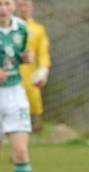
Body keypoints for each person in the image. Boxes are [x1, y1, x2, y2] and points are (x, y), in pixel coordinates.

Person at [0, 0, 34, 172]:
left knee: (20, 151)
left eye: (6, 3)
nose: (3, 8)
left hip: (14, 94)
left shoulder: (22, 28)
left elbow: (17, 54)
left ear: (14, 6)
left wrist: (26, 59)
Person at [16, 0, 51, 133]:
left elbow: (43, 54)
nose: (23, 8)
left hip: (30, 81)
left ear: (32, 7)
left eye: (26, 5)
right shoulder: (7, 28)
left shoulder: (38, 30)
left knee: (29, 118)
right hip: (8, 80)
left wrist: (43, 71)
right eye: (20, 5)